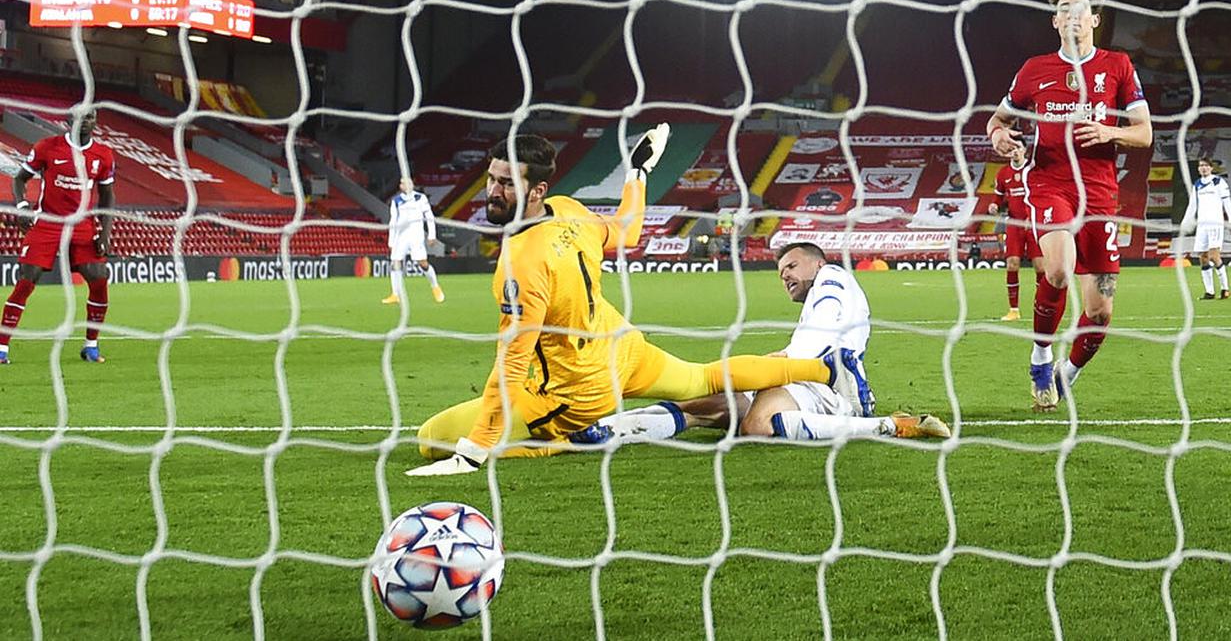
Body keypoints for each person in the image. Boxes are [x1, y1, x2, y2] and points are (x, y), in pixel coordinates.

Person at [405, 127, 839, 476]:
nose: (491, 191)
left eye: (505, 183)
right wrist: (638, 174)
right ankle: (826, 368)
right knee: (703, 379)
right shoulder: (568, 208)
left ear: (536, 190)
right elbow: (628, 231)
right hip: (623, 349)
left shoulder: (519, 262)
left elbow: (513, 363)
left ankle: (567, 439)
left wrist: (476, 449)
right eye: (492, 178)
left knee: (431, 438)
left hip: (577, 391)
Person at [571, 242, 951, 444]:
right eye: (780, 271)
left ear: (817, 264)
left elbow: (821, 331)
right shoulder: (819, 292)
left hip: (832, 387)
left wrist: (781, 363)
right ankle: (604, 429)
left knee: (757, 425)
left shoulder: (832, 278)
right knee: (706, 405)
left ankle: (890, 426)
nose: (784, 275)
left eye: (791, 266)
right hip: (802, 380)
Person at [985, 0, 1152, 412]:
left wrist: (1107, 130)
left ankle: (1065, 373)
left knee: (1100, 314)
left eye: (1081, 11)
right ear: (1055, 20)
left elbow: (1144, 133)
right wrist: (1000, 136)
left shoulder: (1118, 66)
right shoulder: (1034, 70)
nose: (1073, 18)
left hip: (1099, 193)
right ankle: (1041, 354)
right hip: (1049, 181)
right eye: (1065, 10)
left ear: (1095, 19)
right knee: (1057, 270)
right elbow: (997, 120)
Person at [1, 108, 115, 365]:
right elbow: (19, 180)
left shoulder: (103, 155)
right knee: (27, 280)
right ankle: (1, 348)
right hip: (48, 222)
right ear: (67, 120)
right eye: (81, 117)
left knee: (99, 278)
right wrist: (21, 207)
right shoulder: (47, 147)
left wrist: (105, 232)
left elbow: (108, 196)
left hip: (81, 224)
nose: (86, 121)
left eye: (91, 117)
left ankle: (91, 346)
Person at [988, 153, 1045, 321]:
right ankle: (1013, 310)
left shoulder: (1033, 169)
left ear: (1023, 151)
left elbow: (1041, 195)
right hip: (1014, 224)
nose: (1014, 152)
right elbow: (998, 198)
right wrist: (994, 205)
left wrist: (1031, 216)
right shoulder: (1003, 173)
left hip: (1034, 222)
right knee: (1012, 265)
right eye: (1011, 149)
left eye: (1017, 148)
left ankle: (1040, 307)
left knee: (1040, 267)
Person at [382, 176, 444, 305]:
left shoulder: (420, 198)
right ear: (401, 186)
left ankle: (435, 286)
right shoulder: (396, 201)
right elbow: (393, 221)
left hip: (416, 236)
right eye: (402, 183)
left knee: (423, 263)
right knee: (395, 263)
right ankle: (395, 294)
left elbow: (429, 217)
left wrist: (432, 235)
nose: (404, 185)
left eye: (407, 182)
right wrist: (391, 241)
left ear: (412, 184)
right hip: (401, 237)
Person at [1180, 158, 1231, 300]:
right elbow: (1192, 206)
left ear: (1211, 168)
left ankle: (1225, 288)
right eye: (1201, 166)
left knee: (1214, 256)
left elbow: (1227, 202)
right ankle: (1209, 292)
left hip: (1215, 224)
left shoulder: (1219, 182)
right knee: (1202, 257)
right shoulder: (1197, 185)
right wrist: (1185, 222)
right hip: (1202, 225)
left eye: (1206, 166)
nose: (1203, 168)